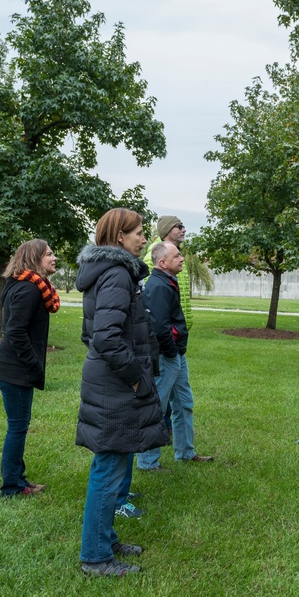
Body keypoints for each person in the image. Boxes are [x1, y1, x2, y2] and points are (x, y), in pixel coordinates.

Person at [75, 208, 168, 577]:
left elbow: (92, 334)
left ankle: (106, 540)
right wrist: (136, 379)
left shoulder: (112, 272)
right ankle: (96, 558)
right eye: (139, 233)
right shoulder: (116, 273)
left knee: (113, 464)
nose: (144, 239)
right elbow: (106, 338)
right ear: (119, 238)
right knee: (108, 469)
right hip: (116, 385)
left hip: (110, 381)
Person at [137, 215, 212, 468]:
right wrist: (170, 352)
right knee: (156, 405)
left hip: (177, 353)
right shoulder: (157, 286)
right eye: (177, 257)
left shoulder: (168, 280)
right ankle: (147, 461)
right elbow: (159, 326)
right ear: (162, 263)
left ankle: (186, 452)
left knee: (184, 403)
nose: (182, 259)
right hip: (167, 354)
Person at [0, 239, 59, 498]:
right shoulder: (28, 289)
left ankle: (18, 479)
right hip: (13, 370)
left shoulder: (28, 285)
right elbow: (15, 332)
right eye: (49, 254)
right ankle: (12, 487)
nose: (54, 258)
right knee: (17, 427)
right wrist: (32, 364)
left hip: (13, 369)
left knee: (19, 425)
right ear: (34, 258)